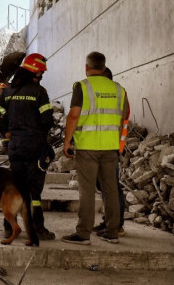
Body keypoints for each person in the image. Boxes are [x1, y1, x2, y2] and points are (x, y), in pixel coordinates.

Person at [0, 53, 53, 244]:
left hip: (15, 147)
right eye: (40, 72)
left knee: (15, 188)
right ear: (35, 72)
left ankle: (9, 228)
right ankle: (38, 228)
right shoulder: (40, 92)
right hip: (35, 147)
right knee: (34, 191)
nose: (41, 75)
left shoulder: (8, 92)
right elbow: (47, 120)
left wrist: (5, 131)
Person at [62, 52, 128, 245]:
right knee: (111, 190)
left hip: (87, 146)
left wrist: (67, 142)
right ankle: (112, 231)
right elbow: (123, 117)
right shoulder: (118, 89)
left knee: (87, 190)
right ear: (104, 66)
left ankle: (83, 234)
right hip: (110, 146)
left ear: (87, 67)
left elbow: (74, 116)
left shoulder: (82, 86)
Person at [93, 67, 129, 237]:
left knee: (112, 187)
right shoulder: (117, 92)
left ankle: (116, 224)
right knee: (105, 186)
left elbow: (122, 118)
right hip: (103, 145)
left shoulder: (118, 92)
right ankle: (110, 222)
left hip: (111, 146)